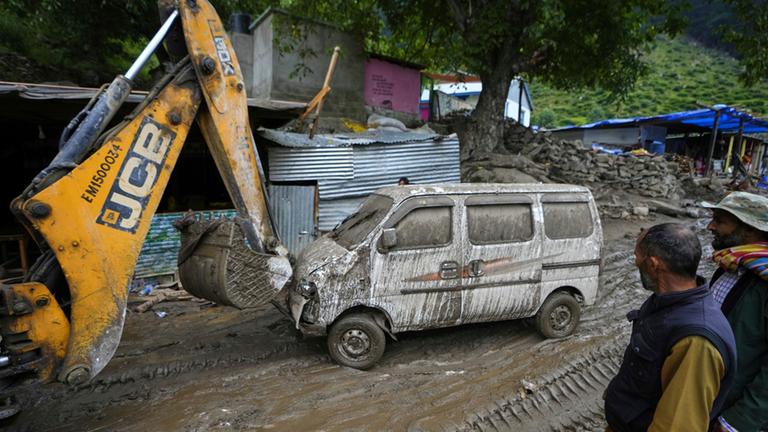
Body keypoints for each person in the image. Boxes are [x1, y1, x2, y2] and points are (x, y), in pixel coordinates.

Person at [604, 223, 736, 432]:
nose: (636, 262)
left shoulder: (697, 342)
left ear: (654, 265)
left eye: (637, 256)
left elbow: (677, 426)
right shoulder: (665, 302)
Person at [704, 192, 768, 432]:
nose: (710, 226)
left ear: (750, 230)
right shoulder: (730, 265)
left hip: (734, 412)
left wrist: (738, 421)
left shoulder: (763, 280)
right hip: (710, 395)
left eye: (720, 221)